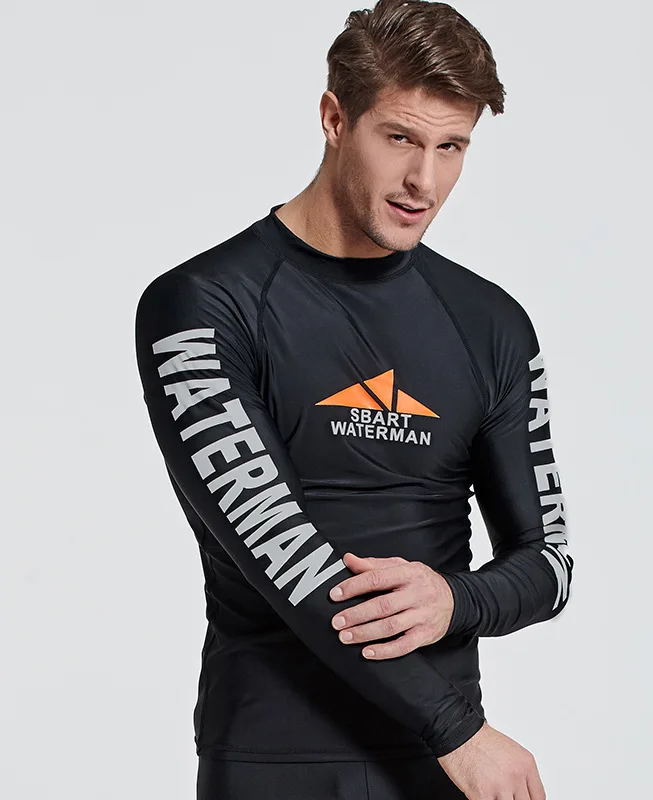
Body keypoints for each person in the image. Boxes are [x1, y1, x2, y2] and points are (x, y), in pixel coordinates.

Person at [134, 0, 573, 797]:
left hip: (441, 769)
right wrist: (457, 729)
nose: (423, 182)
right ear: (335, 118)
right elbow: (281, 548)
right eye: (400, 138)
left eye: (451, 147)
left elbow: (548, 566)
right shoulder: (202, 306)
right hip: (278, 763)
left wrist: (454, 600)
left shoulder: (491, 325)